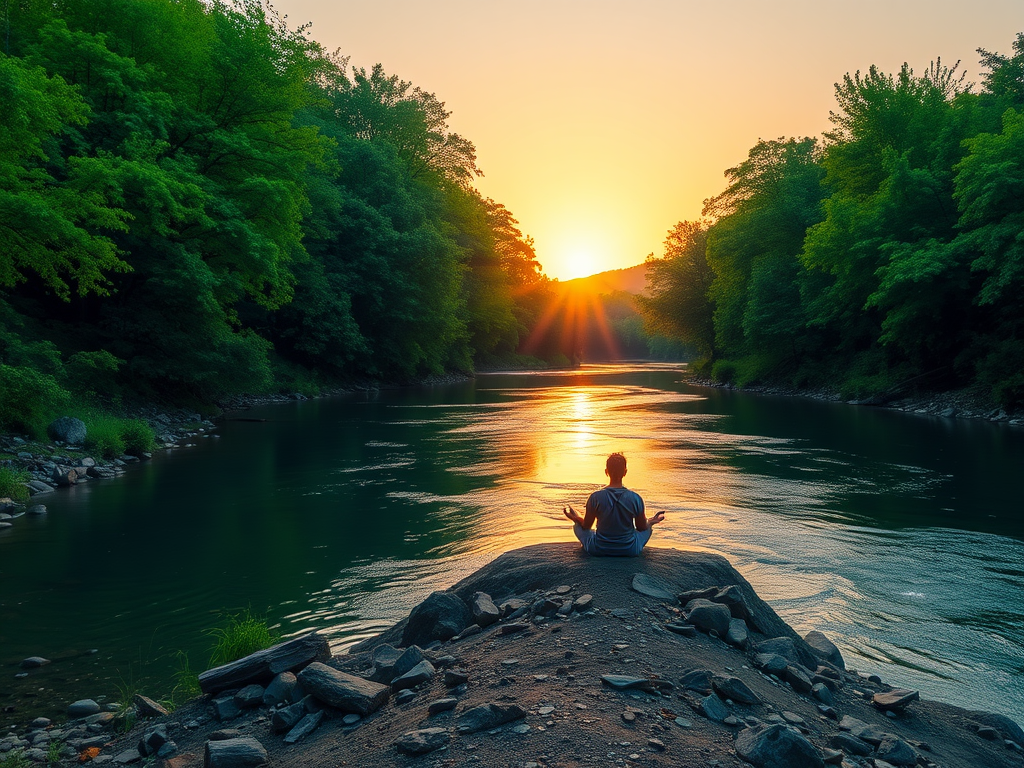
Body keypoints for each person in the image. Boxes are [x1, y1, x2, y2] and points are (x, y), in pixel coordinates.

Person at [563, 452, 665, 556]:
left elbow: (586, 526)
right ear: (625, 472)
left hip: (599, 549)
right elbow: (642, 528)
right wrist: (651, 522)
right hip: (630, 550)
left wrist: (575, 518)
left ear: (606, 472)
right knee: (648, 529)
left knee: (577, 527)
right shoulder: (636, 498)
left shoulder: (595, 497)